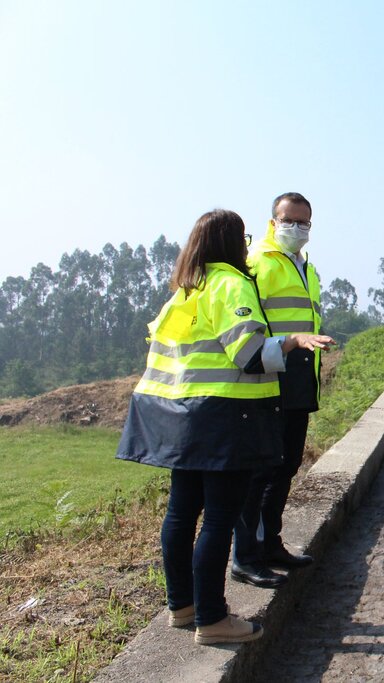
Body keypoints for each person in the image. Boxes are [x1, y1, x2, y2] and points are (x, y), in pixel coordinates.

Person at [116, 209, 334, 645]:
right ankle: (213, 619)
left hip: (179, 416)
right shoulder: (231, 283)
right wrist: (291, 342)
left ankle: (182, 607)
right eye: (242, 236)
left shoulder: (184, 290)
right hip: (224, 419)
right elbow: (249, 353)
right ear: (231, 241)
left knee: (180, 513)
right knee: (218, 518)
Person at [232, 192, 336, 589]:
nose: (298, 228)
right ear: (273, 221)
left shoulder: (306, 268)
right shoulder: (258, 262)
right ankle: (246, 556)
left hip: (298, 376)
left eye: (305, 222)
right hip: (267, 377)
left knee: (286, 466)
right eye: (290, 220)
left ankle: (270, 544)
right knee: (260, 471)